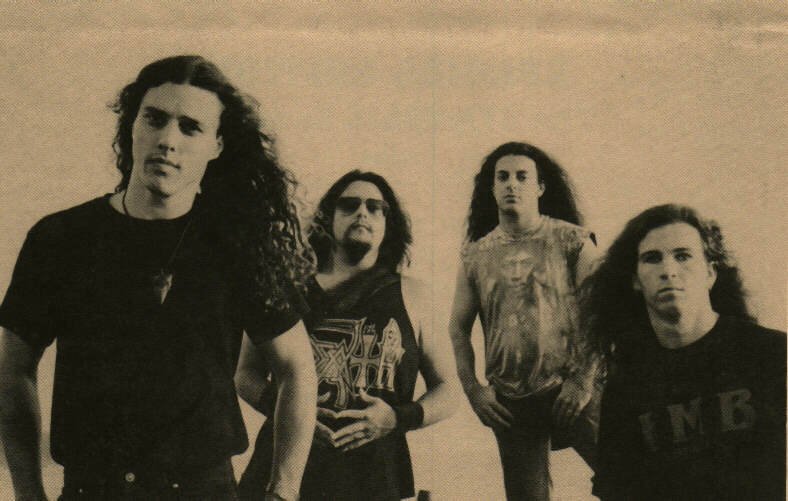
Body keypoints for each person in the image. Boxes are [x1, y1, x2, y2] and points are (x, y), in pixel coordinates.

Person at [0, 55, 317, 501]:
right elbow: (13, 370)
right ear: (132, 125)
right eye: (154, 119)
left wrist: (283, 491)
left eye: (190, 127)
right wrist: (28, 494)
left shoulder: (238, 244)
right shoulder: (61, 238)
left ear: (217, 145)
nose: (168, 140)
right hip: (93, 490)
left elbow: (296, 369)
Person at [236, 170, 458, 500]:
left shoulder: (415, 296)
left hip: (373, 478)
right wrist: (294, 413)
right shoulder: (289, 287)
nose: (362, 213)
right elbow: (245, 373)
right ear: (328, 217)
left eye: (374, 207)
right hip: (282, 473)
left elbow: (449, 389)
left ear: (388, 223)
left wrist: (396, 418)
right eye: (349, 205)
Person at [585, 204, 786, 500]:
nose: (668, 271)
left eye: (683, 256)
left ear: (710, 273)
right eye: (652, 258)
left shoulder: (772, 354)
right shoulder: (626, 385)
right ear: (636, 280)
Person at [448, 141, 601, 500]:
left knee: (627, 477)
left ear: (540, 187)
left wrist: (583, 380)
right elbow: (457, 327)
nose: (511, 185)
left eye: (522, 177)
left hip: (572, 388)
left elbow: (601, 310)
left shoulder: (573, 241)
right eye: (502, 177)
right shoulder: (475, 256)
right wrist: (473, 389)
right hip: (511, 398)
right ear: (492, 188)